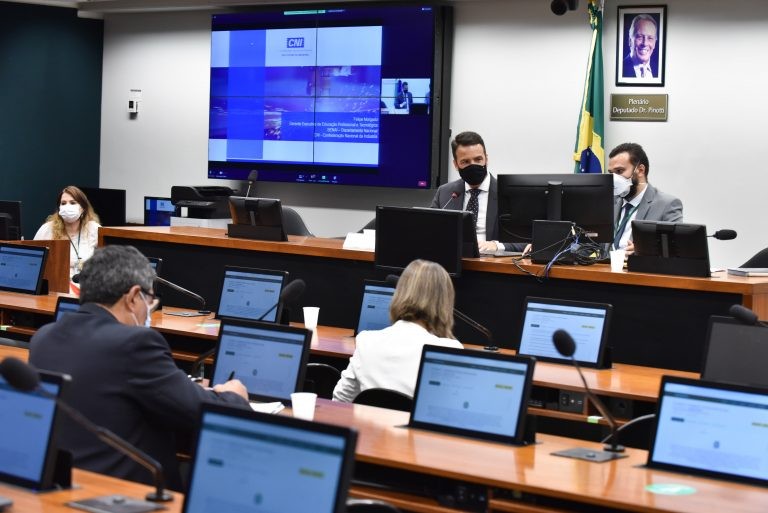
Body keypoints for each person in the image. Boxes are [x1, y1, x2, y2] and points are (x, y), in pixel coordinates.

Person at [29, 245, 249, 490]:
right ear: (134, 296)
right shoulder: (134, 343)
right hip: (126, 495)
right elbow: (199, 411)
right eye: (150, 300)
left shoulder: (44, 336)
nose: (149, 310)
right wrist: (234, 396)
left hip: (62, 487)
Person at [332, 259, 463, 402]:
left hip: (370, 417)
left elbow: (340, 400)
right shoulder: (449, 350)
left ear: (399, 293)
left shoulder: (366, 341)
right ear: (444, 303)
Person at [430, 131, 524, 253]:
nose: (473, 166)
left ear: (486, 159)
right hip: (453, 259)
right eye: (465, 162)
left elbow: (527, 243)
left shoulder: (509, 194)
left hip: (492, 261)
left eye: (478, 159)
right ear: (456, 164)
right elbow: (429, 231)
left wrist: (497, 245)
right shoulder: (445, 193)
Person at [608, 142, 682, 254]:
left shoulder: (667, 204)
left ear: (640, 170)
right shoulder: (608, 202)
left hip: (638, 265)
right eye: (611, 173)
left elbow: (674, 249)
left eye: (619, 171)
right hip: (605, 264)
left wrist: (644, 251)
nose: (614, 178)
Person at [34, 186, 101, 278]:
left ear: (83, 208)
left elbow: (106, 261)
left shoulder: (94, 229)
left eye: (73, 203)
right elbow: (34, 261)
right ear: (59, 208)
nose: (67, 206)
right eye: (63, 203)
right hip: (57, 282)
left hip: (87, 282)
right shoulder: (47, 229)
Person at [622, 14, 659, 79]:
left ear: (655, 43)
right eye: (640, 37)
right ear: (630, 41)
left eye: (650, 38)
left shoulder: (658, 70)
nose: (645, 43)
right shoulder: (621, 68)